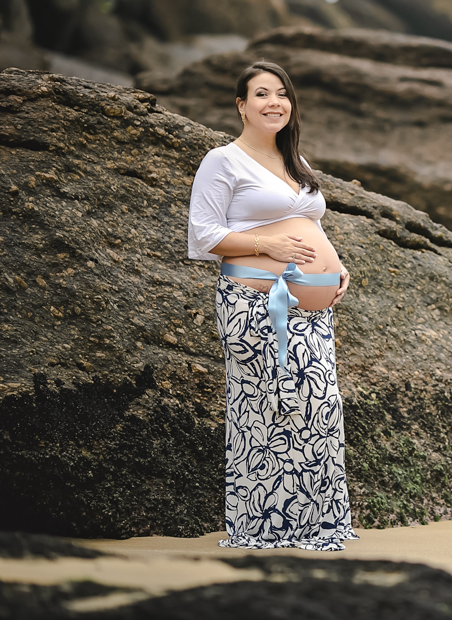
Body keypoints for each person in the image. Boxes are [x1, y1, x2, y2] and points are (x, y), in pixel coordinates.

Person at [187, 61, 359, 551]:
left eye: (281, 94)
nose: (273, 102)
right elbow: (203, 235)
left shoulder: (293, 162)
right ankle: (264, 526)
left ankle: (319, 523)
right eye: (261, 93)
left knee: (321, 408)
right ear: (241, 105)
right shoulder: (223, 160)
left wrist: (336, 267)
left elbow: (309, 224)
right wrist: (268, 246)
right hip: (254, 305)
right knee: (266, 413)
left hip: (313, 309)